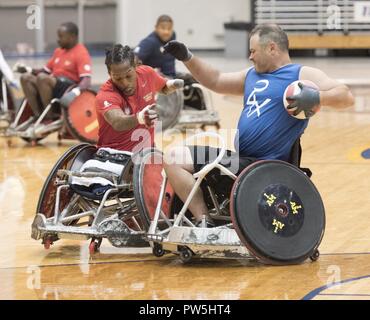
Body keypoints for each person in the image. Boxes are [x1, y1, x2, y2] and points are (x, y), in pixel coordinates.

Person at [162, 24, 354, 227]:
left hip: (265, 167)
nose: (250, 57)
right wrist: (187, 57)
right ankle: (203, 221)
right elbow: (216, 80)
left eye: (253, 51)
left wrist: (315, 97)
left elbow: (346, 96)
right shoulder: (251, 75)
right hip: (238, 162)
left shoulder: (300, 74)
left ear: (272, 48)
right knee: (174, 158)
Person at [95, 44, 184, 152]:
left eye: (128, 76)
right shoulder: (105, 95)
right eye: (118, 78)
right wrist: (141, 117)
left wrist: (172, 84)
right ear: (110, 74)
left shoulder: (147, 74)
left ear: (136, 67)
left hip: (146, 153)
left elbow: (163, 88)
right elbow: (118, 122)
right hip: (114, 156)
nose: (125, 83)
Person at [14, 22, 92, 120]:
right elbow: (45, 71)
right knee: (25, 77)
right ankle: (38, 114)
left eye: (61, 37)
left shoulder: (81, 52)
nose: (58, 40)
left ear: (72, 37)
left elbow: (86, 80)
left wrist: (75, 92)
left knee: (42, 78)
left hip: (67, 87)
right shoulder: (58, 51)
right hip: (51, 83)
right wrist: (28, 69)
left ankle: (49, 116)